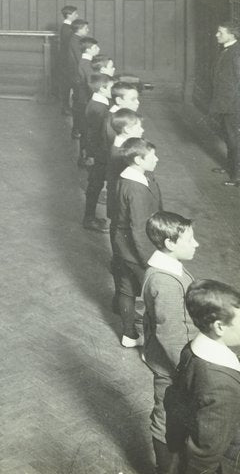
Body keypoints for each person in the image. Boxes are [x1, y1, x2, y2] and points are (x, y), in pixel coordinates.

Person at [141, 211, 199, 473]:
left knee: (173, 414)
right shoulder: (164, 281)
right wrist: (188, 370)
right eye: (190, 239)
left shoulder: (169, 267)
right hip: (172, 365)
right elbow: (171, 333)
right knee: (164, 418)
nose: (196, 243)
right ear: (169, 244)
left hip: (175, 360)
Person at [164, 279, 240, 474]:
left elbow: (176, 403)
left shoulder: (191, 350)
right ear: (219, 327)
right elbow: (205, 453)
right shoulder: (222, 387)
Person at [111, 138, 164, 348]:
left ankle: (129, 334)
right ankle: (152, 345)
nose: (157, 159)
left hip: (121, 246)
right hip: (138, 252)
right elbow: (139, 229)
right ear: (138, 160)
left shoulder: (128, 179)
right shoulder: (136, 189)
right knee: (154, 296)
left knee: (125, 289)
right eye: (152, 157)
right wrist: (150, 259)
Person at [81, 72, 114, 232]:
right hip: (98, 154)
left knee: (96, 185)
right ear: (102, 89)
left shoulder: (98, 102)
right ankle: (89, 219)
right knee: (95, 186)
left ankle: (90, 217)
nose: (113, 90)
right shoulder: (99, 108)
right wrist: (92, 155)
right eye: (111, 87)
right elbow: (94, 135)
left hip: (98, 153)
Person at [209, 22, 240, 187]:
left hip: (233, 105)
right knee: (228, 137)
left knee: (234, 139)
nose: (216, 35)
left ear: (232, 35)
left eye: (221, 32)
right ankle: (231, 168)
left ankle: (236, 176)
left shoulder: (237, 53)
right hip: (225, 103)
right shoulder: (227, 49)